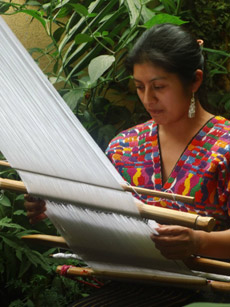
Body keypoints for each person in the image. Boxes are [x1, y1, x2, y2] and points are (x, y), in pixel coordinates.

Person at [25, 23, 230, 262]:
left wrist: (199, 241)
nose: (148, 99)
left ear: (194, 81)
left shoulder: (224, 147)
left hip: (207, 287)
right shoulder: (124, 146)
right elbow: (100, 214)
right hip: (128, 279)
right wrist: (53, 205)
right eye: (139, 87)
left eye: (159, 87)